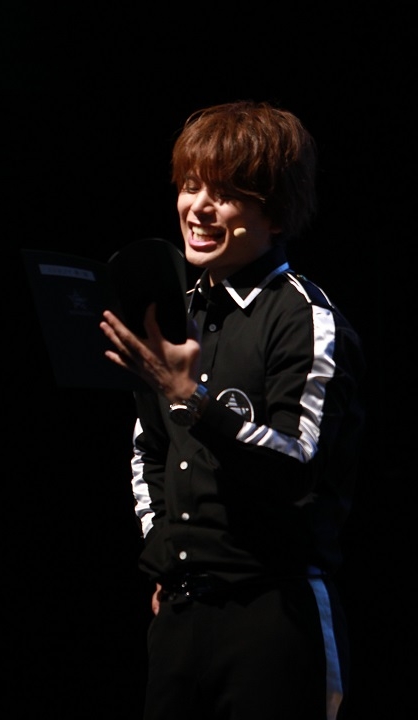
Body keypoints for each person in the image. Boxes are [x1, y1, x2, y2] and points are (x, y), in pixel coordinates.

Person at [99, 101, 365, 720]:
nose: (198, 208)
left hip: (273, 613)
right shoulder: (177, 307)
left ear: (276, 212)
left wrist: (193, 401)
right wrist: (165, 552)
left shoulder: (303, 318)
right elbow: (149, 449)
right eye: (190, 186)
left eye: (225, 194)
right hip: (181, 614)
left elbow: (299, 462)